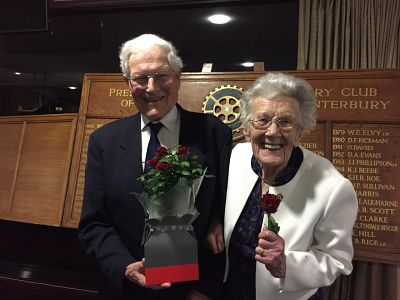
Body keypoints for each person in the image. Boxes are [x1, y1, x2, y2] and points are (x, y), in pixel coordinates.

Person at [78, 33, 232, 300]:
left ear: (178, 76)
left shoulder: (214, 133)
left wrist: (206, 288)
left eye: (162, 75)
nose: (151, 88)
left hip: (193, 291)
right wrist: (125, 267)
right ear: (128, 83)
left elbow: (229, 214)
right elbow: (94, 222)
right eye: (140, 78)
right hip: (127, 289)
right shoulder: (104, 141)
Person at [223, 72, 358, 300]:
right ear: (247, 128)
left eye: (285, 122)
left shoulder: (333, 187)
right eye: (262, 120)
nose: (272, 132)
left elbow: (337, 260)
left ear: (300, 131)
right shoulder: (234, 158)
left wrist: (287, 264)